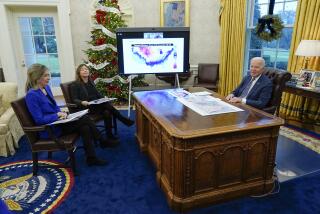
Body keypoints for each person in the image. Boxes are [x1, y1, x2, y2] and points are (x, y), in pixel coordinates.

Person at [25, 63, 111, 166]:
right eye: (45, 75)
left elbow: (55, 107)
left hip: (59, 122)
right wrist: (57, 115)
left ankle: (91, 158)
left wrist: (63, 113)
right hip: (50, 129)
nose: (49, 78)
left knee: (85, 127)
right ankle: (102, 140)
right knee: (84, 119)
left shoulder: (46, 88)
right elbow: (39, 119)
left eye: (48, 75)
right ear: (37, 78)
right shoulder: (31, 95)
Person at [70, 64, 134, 142]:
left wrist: (104, 98)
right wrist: (82, 102)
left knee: (107, 112)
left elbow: (98, 94)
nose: (85, 70)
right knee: (107, 106)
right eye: (82, 69)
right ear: (78, 73)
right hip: (86, 107)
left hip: (96, 105)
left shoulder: (91, 82)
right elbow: (74, 99)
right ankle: (122, 119)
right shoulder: (75, 85)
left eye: (86, 69)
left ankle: (109, 136)